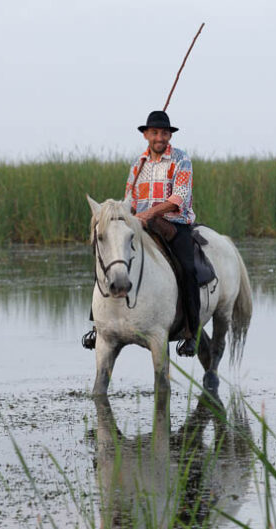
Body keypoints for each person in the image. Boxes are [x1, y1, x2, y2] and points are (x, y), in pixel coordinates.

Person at [82, 110, 200, 356]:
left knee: (187, 268)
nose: (160, 137)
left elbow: (179, 198)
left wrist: (150, 213)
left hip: (173, 224)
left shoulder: (181, 159)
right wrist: (126, 216)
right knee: (109, 255)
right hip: (140, 223)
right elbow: (130, 199)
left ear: (170, 136)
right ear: (146, 135)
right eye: (155, 132)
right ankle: (98, 325)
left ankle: (191, 332)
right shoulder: (138, 164)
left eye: (164, 133)